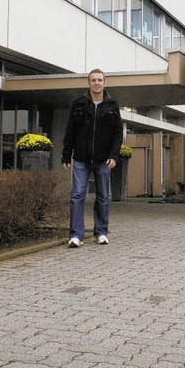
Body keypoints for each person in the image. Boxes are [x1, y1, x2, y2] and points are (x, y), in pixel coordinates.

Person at [62, 69, 123, 248]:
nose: (97, 83)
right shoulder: (78, 104)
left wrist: (114, 155)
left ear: (105, 83)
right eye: (93, 80)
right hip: (81, 158)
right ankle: (75, 235)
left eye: (100, 80)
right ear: (88, 83)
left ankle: (101, 232)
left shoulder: (112, 105)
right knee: (77, 195)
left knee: (103, 196)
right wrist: (66, 154)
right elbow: (70, 130)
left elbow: (118, 133)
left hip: (103, 159)